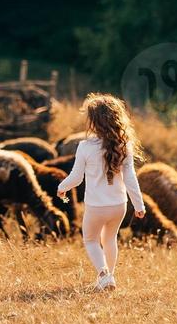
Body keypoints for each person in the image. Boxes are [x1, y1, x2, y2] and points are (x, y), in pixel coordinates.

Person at [56, 93, 145, 291]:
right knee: (110, 239)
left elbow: (76, 178)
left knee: (90, 240)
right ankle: (109, 278)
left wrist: (62, 188)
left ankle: (104, 274)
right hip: (119, 205)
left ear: (93, 121)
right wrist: (139, 205)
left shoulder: (85, 146)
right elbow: (130, 178)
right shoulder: (124, 145)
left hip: (96, 206)